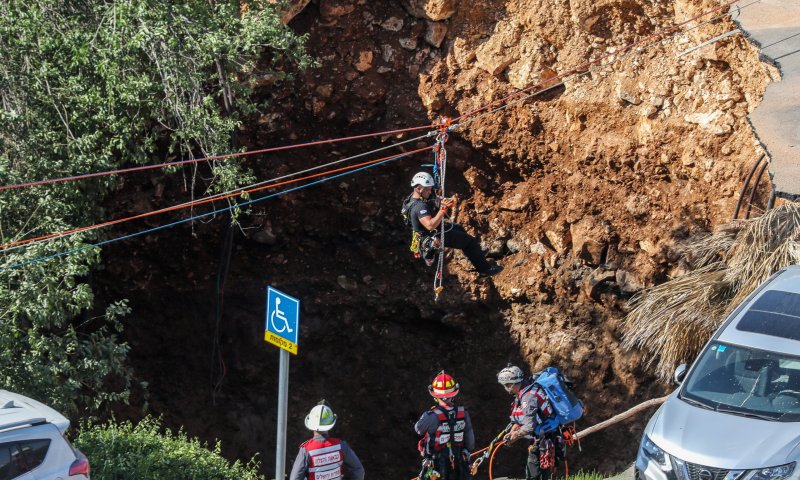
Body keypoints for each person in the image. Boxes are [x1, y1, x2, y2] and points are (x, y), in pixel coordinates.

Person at [406, 171, 502, 276]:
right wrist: (442, 210)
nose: (430, 192)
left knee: (458, 228)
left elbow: (431, 198)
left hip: (431, 231)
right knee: (469, 242)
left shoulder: (413, 198)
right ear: (419, 188)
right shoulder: (419, 206)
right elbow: (430, 225)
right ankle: (485, 269)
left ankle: (475, 253)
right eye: (428, 189)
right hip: (432, 235)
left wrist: (442, 200)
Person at [497, 365, 564, 480]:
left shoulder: (528, 398)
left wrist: (516, 436)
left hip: (546, 438)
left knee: (534, 475)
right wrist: (512, 432)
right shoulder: (527, 387)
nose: (505, 388)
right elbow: (520, 419)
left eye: (505, 385)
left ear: (510, 385)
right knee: (539, 473)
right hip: (542, 436)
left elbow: (529, 426)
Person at [414, 371, 475, 480]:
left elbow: (419, 429)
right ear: (454, 394)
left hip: (436, 464)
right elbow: (470, 439)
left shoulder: (431, 415)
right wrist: (467, 451)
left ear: (435, 395)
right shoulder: (463, 413)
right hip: (459, 461)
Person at [290, 400, 365, 480]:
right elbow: (358, 471)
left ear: (310, 424)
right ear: (331, 424)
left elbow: (295, 477)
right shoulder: (341, 446)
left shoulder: (306, 450)